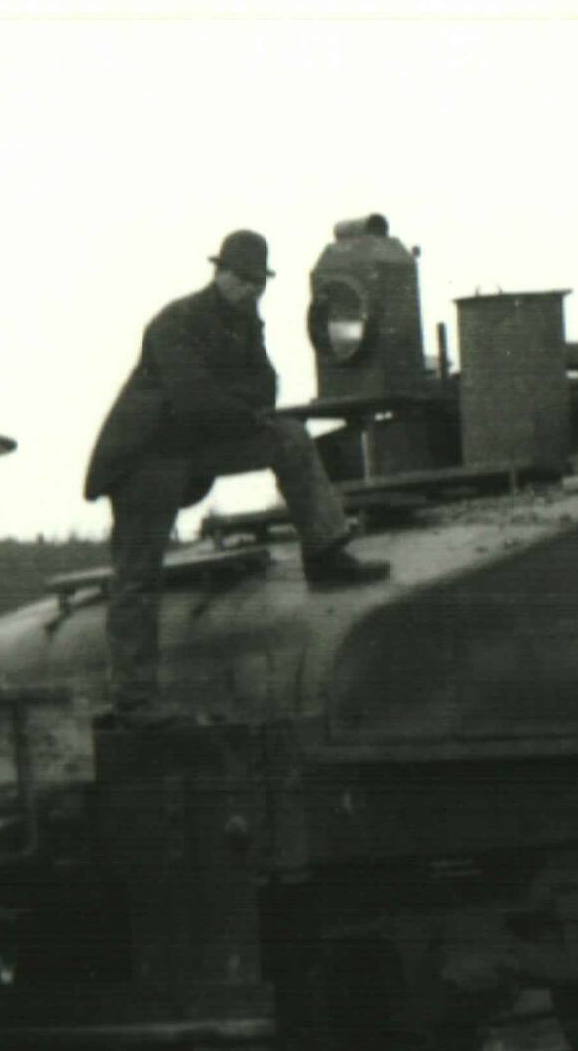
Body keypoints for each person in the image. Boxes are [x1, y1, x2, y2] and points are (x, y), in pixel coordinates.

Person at [82, 230, 387, 720]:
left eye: (257, 282)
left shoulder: (246, 324)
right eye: (241, 278)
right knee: (138, 577)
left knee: (290, 437)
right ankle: (133, 700)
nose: (249, 289)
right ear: (219, 273)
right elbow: (193, 399)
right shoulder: (175, 321)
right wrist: (240, 405)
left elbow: (265, 386)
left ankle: (326, 551)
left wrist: (238, 405)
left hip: (198, 444)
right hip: (146, 458)